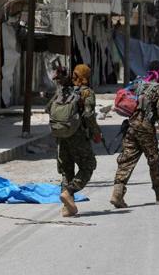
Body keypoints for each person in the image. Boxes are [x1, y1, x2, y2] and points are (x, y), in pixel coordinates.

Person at [110, 64, 159, 208]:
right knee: (154, 161)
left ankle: (117, 193)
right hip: (146, 128)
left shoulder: (139, 84)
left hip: (132, 126)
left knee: (126, 159)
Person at [55, 64, 103, 217]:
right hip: (78, 135)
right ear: (86, 77)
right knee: (88, 165)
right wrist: (96, 133)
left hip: (61, 135)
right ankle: (69, 192)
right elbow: (88, 115)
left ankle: (67, 208)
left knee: (66, 170)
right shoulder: (86, 92)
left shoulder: (63, 91)